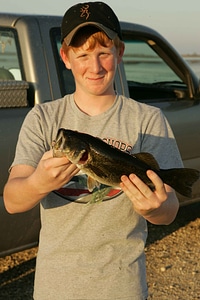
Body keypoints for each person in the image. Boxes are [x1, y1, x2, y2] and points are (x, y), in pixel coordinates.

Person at [3, 2, 182, 299]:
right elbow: (12, 201)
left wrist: (155, 208)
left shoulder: (148, 120)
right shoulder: (43, 119)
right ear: (66, 57)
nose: (95, 66)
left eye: (103, 53)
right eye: (83, 55)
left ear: (120, 53)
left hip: (122, 286)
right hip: (54, 287)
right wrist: (38, 183)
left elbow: (169, 210)